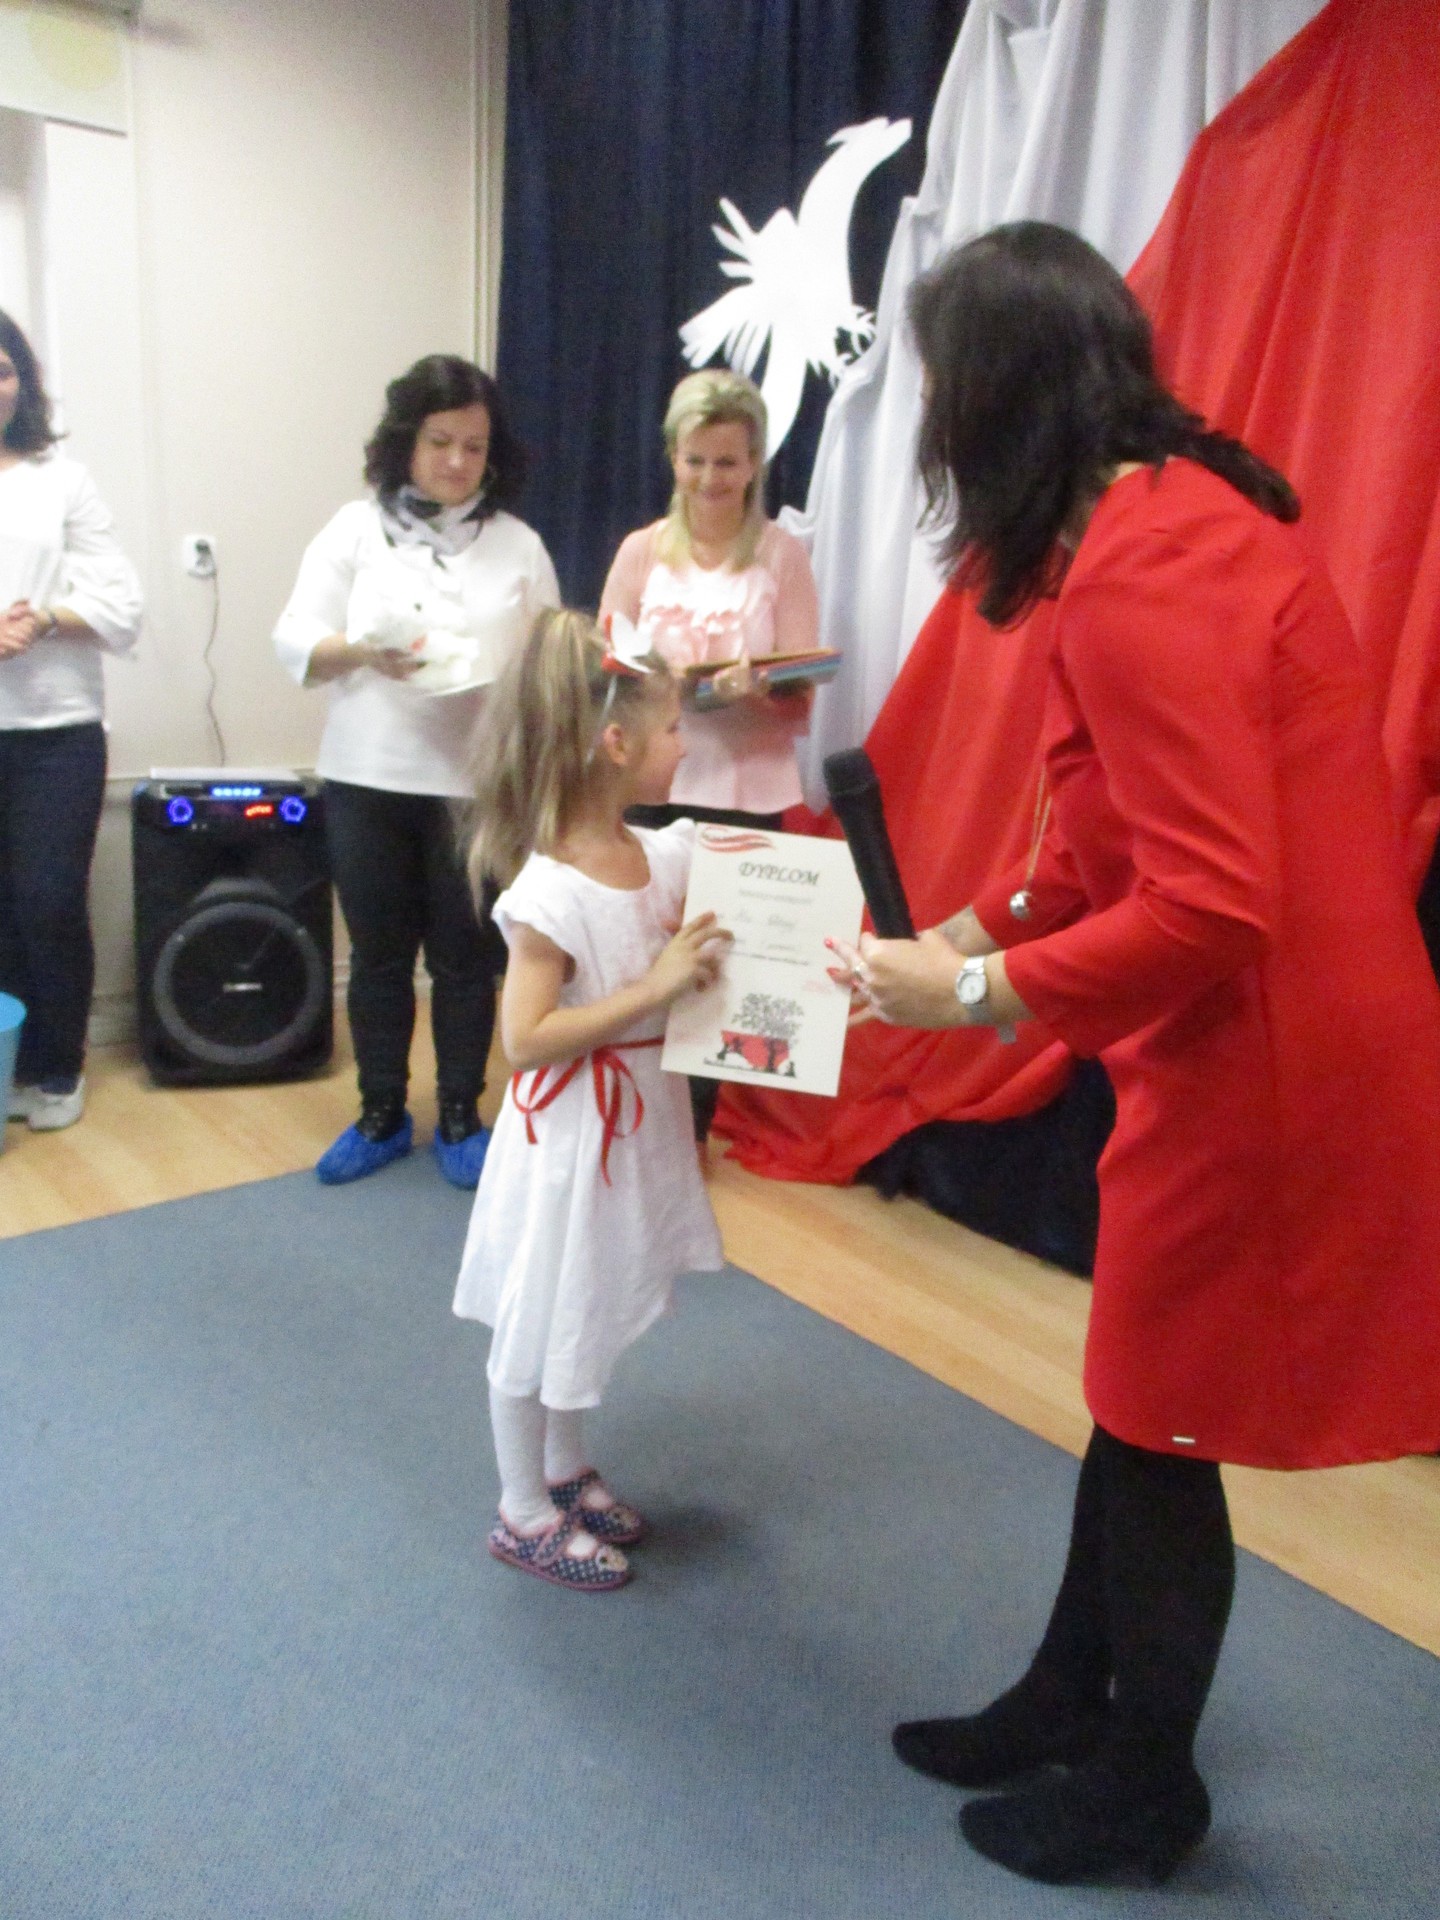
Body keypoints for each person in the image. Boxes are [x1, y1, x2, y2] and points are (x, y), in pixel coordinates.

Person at [833, 224, 1440, 1885]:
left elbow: (1214, 904)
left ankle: (1147, 1788)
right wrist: (968, 937)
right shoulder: (1163, 522)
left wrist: (975, 993)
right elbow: (1119, 837)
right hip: (1266, 1040)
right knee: (1140, 1395)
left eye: (943, 389)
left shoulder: (1141, 576)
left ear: (996, 400)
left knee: (1165, 1420)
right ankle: (1068, 1694)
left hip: (1274, 1066)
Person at [452, 608, 727, 1591]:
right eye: (672, 729)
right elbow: (525, 1041)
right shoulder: (551, 891)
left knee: (591, 1299)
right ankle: (521, 1509)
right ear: (616, 744)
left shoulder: (667, 855)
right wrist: (655, 988)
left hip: (635, 1126)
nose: (684, 745)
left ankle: (564, 1469)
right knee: (540, 1311)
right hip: (571, 1140)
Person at [274, 355, 559, 1188]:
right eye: (440, 442)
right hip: (368, 776)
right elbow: (296, 639)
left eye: (475, 447)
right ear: (405, 441)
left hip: (476, 787)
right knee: (379, 956)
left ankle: (462, 1114)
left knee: (465, 959)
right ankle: (381, 1114)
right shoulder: (353, 530)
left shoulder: (518, 545)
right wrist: (364, 650)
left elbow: (550, 662)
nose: (458, 462)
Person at [600, 367, 819, 1140]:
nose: (710, 478)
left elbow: (804, 690)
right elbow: (602, 672)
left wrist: (752, 690)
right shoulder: (640, 552)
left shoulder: (782, 556)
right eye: (695, 460)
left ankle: (694, 1132)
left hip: (744, 791)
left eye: (727, 461)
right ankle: (634, 1118)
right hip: (649, 787)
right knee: (639, 953)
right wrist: (652, 682)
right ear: (673, 457)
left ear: (754, 462)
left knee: (727, 967)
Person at [0, 310, 143, 1132]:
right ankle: (10, 1066)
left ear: (23, 381)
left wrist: (46, 619)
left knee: (49, 901)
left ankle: (57, 1066)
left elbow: (122, 606)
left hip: (58, 733)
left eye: (3, 370)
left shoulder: (63, 480)